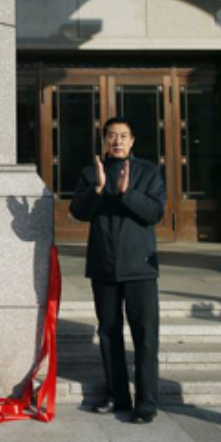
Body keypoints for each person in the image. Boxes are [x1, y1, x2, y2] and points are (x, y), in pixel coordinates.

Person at [70, 117, 167, 424]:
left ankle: (146, 403)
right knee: (109, 333)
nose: (117, 141)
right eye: (112, 135)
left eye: (123, 136)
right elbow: (78, 211)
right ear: (104, 140)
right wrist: (98, 189)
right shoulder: (91, 173)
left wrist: (127, 193)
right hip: (104, 266)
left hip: (140, 267)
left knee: (145, 336)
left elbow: (155, 213)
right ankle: (116, 396)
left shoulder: (148, 172)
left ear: (132, 141)